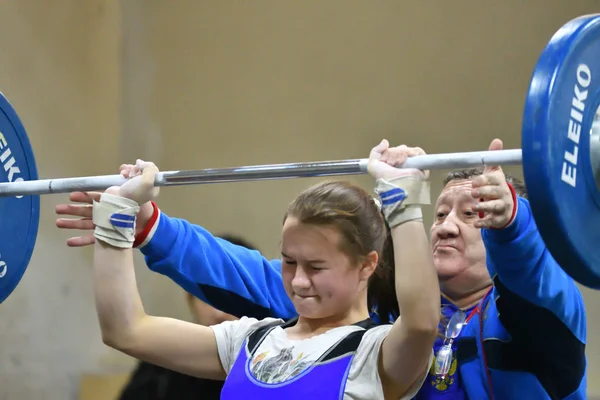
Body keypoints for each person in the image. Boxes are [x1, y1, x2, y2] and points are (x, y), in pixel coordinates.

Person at [56, 139, 588, 399]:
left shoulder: (534, 316)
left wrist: (512, 225)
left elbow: (533, 278)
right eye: (441, 211)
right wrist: (148, 226)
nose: (446, 225)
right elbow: (254, 275)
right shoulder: (379, 312)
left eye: (472, 214)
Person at [83, 140, 440, 399]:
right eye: (289, 261)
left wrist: (403, 201)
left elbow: (422, 322)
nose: (298, 281)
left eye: (316, 267)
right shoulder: (250, 341)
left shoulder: (372, 355)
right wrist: (119, 213)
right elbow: (125, 331)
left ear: (366, 266)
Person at [116, 235, 251, 400]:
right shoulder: (162, 361)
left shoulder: (268, 367)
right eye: (210, 298)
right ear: (190, 298)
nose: (219, 313)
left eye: (234, 300)